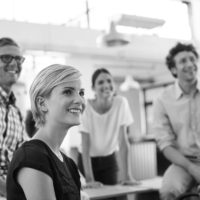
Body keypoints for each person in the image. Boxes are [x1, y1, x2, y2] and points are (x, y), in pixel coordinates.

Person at [6, 64, 86, 200]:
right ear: (42, 104)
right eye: (67, 92)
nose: (80, 100)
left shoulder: (69, 164)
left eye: (81, 93)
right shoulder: (32, 156)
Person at [152, 42, 200, 200]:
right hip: (183, 162)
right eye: (183, 61)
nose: (190, 64)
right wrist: (192, 168)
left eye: (192, 59)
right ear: (173, 69)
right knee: (168, 191)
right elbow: (165, 144)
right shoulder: (162, 100)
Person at [78, 68, 137, 187]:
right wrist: (90, 180)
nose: (106, 85)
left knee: (113, 195)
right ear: (93, 88)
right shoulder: (86, 107)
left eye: (109, 81)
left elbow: (123, 141)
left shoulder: (121, 103)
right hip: (87, 161)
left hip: (109, 159)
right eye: (100, 82)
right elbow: (85, 146)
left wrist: (128, 176)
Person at [0, 37, 26, 197]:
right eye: (6, 58)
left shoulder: (16, 113)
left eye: (18, 59)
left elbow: (24, 157)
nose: (14, 63)